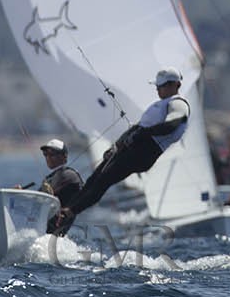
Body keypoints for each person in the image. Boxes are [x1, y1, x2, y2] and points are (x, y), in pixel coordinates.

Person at [48, 68, 189, 234]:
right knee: (95, 178)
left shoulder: (178, 103)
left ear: (176, 85)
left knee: (103, 181)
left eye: (162, 86)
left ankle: (69, 212)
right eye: (157, 86)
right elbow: (138, 127)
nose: (158, 89)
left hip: (145, 152)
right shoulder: (160, 104)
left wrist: (143, 133)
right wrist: (117, 145)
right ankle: (67, 208)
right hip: (132, 148)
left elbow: (172, 125)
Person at [32, 138, 83, 211]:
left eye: (52, 154)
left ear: (64, 156)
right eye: (45, 154)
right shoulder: (52, 177)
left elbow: (42, 196)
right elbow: (37, 198)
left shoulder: (68, 174)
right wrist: (20, 193)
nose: (48, 157)